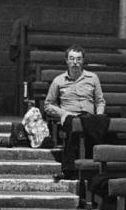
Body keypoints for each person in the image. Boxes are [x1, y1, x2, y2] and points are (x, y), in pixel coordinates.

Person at [44, 45, 107, 179]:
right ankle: (69, 170)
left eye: (78, 59)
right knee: (73, 125)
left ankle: (96, 169)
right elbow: (48, 105)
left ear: (83, 61)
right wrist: (62, 113)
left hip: (89, 116)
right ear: (66, 61)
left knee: (102, 124)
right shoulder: (58, 81)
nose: (75, 62)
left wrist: (99, 115)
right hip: (69, 115)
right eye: (71, 59)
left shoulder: (93, 78)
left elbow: (100, 101)